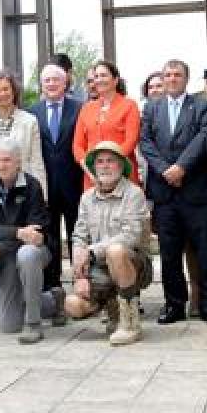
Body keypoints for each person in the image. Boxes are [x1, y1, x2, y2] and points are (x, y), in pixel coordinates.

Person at [140, 59, 207, 326]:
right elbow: (146, 142)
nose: (172, 79)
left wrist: (181, 168)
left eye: (177, 75)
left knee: (206, 252)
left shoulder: (202, 105)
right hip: (165, 194)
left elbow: (204, 138)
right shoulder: (152, 108)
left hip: (197, 190)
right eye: (168, 75)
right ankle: (174, 304)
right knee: (169, 253)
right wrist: (166, 170)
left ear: (186, 79)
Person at [0, 139, 65, 344]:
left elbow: (35, 235)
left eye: (7, 160)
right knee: (7, 326)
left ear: (18, 162)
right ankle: (52, 300)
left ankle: (33, 324)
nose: (2, 165)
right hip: (4, 257)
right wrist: (16, 233)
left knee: (28, 253)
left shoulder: (32, 185)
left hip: (35, 251)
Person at [64, 142, 154, 346]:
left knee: (115, 251)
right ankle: (112, 309)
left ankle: (130, 323)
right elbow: (79, 237)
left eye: (110, 161)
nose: (105, 166)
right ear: (94, 168)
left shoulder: (134, 194)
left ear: (121, 166)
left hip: (133, 263)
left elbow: (130, 236)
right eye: (100, 162)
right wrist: (79, 276)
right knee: (73, 304)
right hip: (99, 268)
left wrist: (93, 251)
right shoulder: (86, 198)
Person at [29, 64, 86, 289]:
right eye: (47, 80)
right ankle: (53, 286)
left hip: (74, 184)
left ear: (65, 83)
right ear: (41, 85)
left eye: (56, 80)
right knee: (49, 236)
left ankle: (81, 283)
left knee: (78, 234)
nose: (51, 84)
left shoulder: (80, 109)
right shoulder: (32, 112)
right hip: (45, 187)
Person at [0, 70, 47, 197]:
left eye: (6, 89)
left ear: (14, 91)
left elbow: (36, 162)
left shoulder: (30, 121)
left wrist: (41, 196)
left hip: (22, 191)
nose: (2, 94)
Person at [74, 60, 142, 188]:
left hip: (122, 175)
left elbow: (131, 141)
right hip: (92, 177)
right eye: (96, 76)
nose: (99, 80)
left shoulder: (129, 105)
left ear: (115, 80)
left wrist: (109, 166)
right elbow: (77, 146)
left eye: (103, 75)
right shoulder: (86, 108)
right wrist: (89, 168)